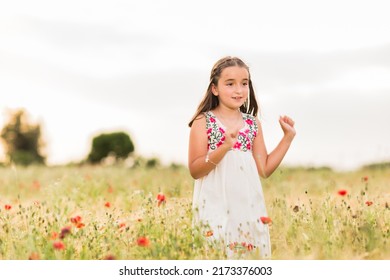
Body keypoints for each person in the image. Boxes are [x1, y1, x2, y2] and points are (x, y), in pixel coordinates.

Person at [188, 56, 296, 259]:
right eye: (230, 84)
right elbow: (195, 170)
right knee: (215, 255)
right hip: (215, 204)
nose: (239, 90)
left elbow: (263, 169)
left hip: (247, 206)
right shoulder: (204, 121)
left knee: (248, 258)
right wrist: (224, 147)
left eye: (244, 84)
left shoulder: (252, 123)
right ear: (215, 89)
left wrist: (287, 138)